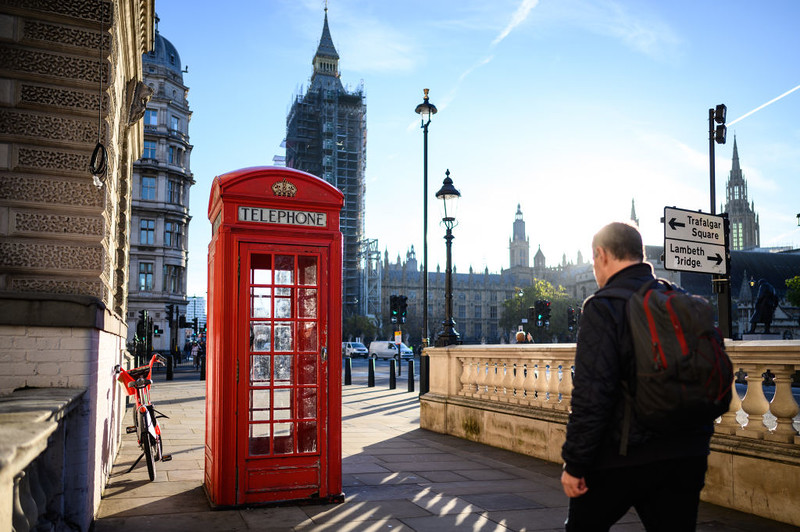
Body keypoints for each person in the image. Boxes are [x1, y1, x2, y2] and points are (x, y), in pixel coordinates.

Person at [561, 222, 712, 531]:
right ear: (640, 255)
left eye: (593, 261)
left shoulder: (604, 306)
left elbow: (592, 396)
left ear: (601, 255)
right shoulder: (682, 299)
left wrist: (575, 463)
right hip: (687, 454)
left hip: (624, 456)